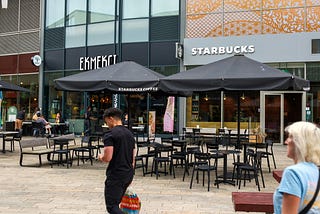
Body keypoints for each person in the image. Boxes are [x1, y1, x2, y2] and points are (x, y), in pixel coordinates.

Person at [273, 121, 320, 214]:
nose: (286, 141)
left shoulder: (293, 173)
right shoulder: (315, 171)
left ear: (300, 142)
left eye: (290, 137)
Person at [98, 108, 136, 214]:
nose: (107, 124)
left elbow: (108, 157)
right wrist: (131, 173)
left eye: (106, 122)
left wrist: (101, 157)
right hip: (128, 173)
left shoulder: (110, 134)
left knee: (112, 206)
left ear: (111, 119)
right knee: (117, 202)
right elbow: (133, 157)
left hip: (116, 174)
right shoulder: (129, 134)